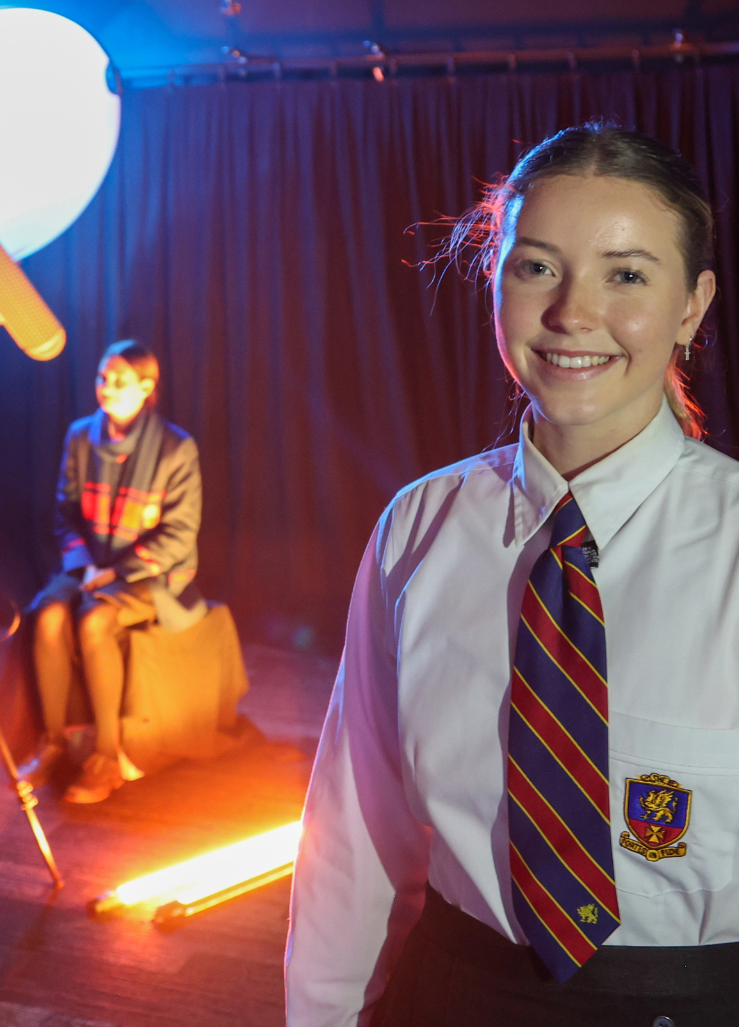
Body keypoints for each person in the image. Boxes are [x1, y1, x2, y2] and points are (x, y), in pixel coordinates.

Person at [284, 124, 739, 1027]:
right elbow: (353, 827)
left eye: (626, 274)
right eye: (536, 267)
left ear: (691, 306)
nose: (571, 312)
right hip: (449, 993)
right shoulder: (418, 527)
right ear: (494, 281)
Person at [20, 341, 206, 803]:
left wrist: (116, 571)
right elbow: (65, 512)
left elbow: (180, 534)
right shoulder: (81, 435)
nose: (106, 389)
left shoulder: (175, 447)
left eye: (119, 380)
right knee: (46, 617)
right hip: (89, 564)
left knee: (95, 621)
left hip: (150, 573)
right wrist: (84, 565)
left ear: (146, 387)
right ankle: (53, 742)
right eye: (102, 378)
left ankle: (107, 756)